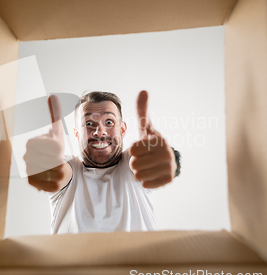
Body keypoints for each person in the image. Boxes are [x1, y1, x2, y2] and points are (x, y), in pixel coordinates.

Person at [24, 90, 181, 234]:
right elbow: (58, 173)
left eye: (109, 122)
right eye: (89, 124)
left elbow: (142, 162)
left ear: (123, 129)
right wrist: (44, 165)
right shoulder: (70, 167)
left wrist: (163, 159)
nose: (100, 132)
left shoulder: (131, 162)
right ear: (77, 134)